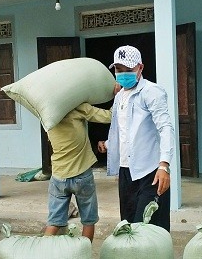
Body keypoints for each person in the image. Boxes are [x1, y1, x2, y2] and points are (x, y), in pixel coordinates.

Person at [98, 45, 174, 231]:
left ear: (140, 67)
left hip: (150, 172)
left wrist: (164, 165)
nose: (123, 74)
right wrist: (109, 145)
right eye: (118, 70)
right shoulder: (119, 96)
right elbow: (124, 130)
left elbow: (165, 128)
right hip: (126, 171)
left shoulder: (151, 92)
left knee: (148, 227)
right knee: (129, 225)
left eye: (128, 70)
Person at [44, 86, 118, 242]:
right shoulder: (78, 108)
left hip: (58, 176)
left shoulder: (46, 113)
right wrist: (118, 96)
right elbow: (110, 116)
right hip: (82, 175)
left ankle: (43, 255)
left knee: (54, 222)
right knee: (88, 221)